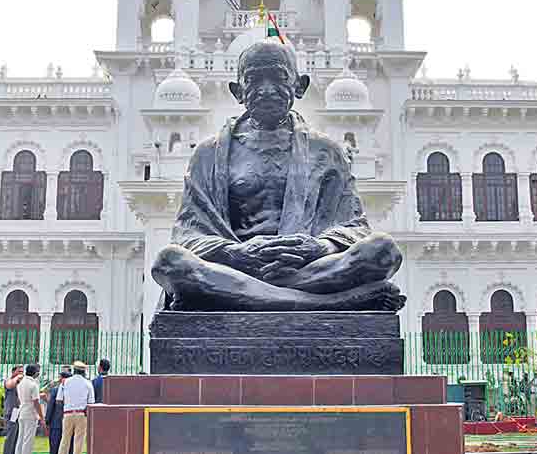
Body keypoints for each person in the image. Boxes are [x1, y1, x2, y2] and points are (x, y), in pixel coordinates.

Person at [151, 40, 406, 313]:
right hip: (237, 267)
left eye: (279, 77)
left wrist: (320, 247)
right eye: (254, 80)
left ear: (299, 85)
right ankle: (330, 302)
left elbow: (354, 227)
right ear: (237, 91)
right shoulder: (208, 154)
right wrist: (237, 254)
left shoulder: (326, 152)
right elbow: (188, 234)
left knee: (382, 252)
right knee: (169, 262)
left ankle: (262, 295)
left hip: (305, 268)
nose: (266, 89)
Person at [57, 360, 95, 454]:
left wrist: (66, 408)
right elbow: (91, 402)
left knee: (65, 440)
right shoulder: (88, 383)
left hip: (67, 413)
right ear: (84, 371)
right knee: (79, 441)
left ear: (74, 370)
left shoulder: (65, 382)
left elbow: (59, 400)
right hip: (81, 414)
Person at [15, 364, 44, 454]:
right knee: (28, 440)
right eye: (38, 371)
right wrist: (41, 417)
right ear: (35, 373)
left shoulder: (21, 383)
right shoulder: (33, 385)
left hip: (22, 412)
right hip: (30, 414)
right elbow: (36, 402)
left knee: (21, 438)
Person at [44, 367, 71, 454]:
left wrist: (47, 421)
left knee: (54, 447)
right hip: (68, 423)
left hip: (56, 424)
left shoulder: (55, 390)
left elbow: (50, 406)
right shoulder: (71, 391)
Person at [2, 365, 25, 454]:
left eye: (22, 372)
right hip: (12, 412)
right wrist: (17, 378)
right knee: (10, 435)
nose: (21, 374)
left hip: (20, 412)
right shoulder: (9, 380)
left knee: (18, 437)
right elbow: (9, 385)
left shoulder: (21, 383)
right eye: (19, 372)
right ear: (13, 372)